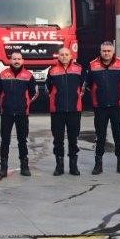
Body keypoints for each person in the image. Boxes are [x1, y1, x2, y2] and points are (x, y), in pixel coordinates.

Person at [86, 41, 120, 174]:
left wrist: (118, 94)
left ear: (113, 52)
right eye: (104, 51)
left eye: (108, 51)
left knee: (119, 136)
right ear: (100, 51)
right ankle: (98, 165)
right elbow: (88, 84)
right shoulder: (92, 65)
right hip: (100, 107)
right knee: (100, 136)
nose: (106, 53)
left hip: (116, 107)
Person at [0, 51, 38, 178]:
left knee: (22, 140)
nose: (16, 61)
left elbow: (34, 93)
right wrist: (3, 103)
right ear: (10, 60)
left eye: (19, 59)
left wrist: (25, 104)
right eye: (14, 59)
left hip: (22, 113)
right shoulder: (3, 74)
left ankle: (24, 167)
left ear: (22, 61)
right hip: (6, 113)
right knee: (5, 140)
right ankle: (3, 168)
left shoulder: (28, 75)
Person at [45, 47, 85, 176]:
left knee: (73, 139)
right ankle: (59, 166)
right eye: (62, 54)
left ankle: (73, 166)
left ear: (71, 55)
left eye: (66, 54)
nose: (64, 57)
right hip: (57, 110)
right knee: (58, 139)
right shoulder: (52, 71)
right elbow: (48, 89)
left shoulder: (79, 69)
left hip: (74, 110)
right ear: (58, 56)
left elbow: (83, 86)